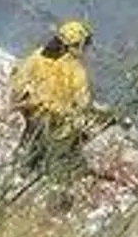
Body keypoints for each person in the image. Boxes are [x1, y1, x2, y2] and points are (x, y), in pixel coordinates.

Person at [8, 19, 120, 188]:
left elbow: (18, 80)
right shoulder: (75, 70)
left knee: (28, 148)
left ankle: (20, 172)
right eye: (83, 45)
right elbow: (83, 103)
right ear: (75, 44)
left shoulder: (37, 56)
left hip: (35, 116)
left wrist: (25, 100)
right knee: (62, 157)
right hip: (59, 123)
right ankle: (57, 183)